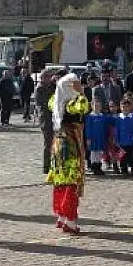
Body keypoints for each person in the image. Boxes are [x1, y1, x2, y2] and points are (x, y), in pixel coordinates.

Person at [47, 74, 90, 234]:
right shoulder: (71, 103)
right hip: (70, 146)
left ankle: (62, 216)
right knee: (71, 181)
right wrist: (81, 93)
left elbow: (52, 101)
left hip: (59, 143)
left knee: (61, 180)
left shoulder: (57, 101)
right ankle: (70, 221)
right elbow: (84, 107)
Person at [35, 70, 56, 174]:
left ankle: (54, 164)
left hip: (53, 117)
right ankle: (46, 167)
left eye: (50, 77)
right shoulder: (40, 88)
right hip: (46, 118)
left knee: (55, 142)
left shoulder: (51, 86)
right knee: (48, 142)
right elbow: (44, 103)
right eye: (47, 77)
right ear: (42, 78)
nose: (49, 79)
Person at [84, 99, 108, 175]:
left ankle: (99, 167)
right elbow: (88, 128)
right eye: (95, 106)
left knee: (99, 153)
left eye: (99, 106)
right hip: (93, 138)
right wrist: (88, 138)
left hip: (100, 137)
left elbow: (105, 127)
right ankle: (94, 167)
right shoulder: (90, 116)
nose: (97, 107)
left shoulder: (102, 116)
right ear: (92, 106)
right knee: (94, 153)